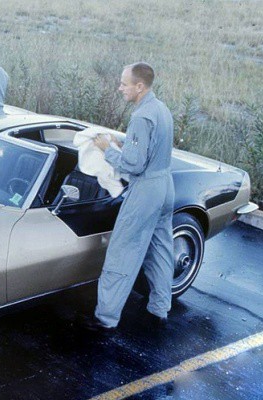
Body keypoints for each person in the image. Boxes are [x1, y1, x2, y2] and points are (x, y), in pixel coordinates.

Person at [87, 62, 175, 331]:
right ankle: (160, 308)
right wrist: (126, 146)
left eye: (124, 83)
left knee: (122, 251)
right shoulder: (161, 109)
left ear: (140, 86)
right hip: (165, 185)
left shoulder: (140, 116)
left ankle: (106, 318)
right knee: (161, 250)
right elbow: (149, 150)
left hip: (146, 190)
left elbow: (134, 166)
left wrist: (107, 150)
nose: (120, 88)